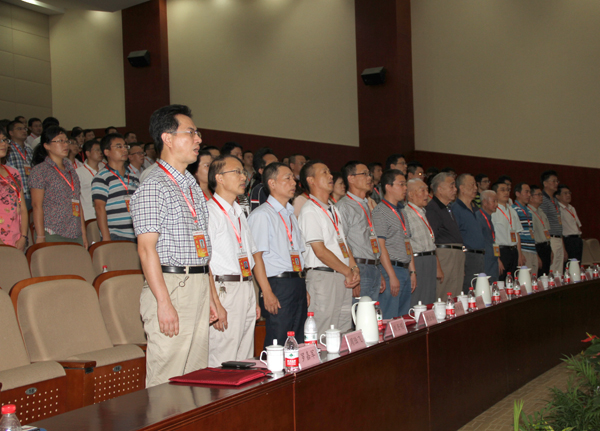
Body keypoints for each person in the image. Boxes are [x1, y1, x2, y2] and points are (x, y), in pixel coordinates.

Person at [130, 104, 223, 388]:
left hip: (197, 283)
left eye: (198, 133)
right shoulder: (154, 184)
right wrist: (163, 302)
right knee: (166, 381)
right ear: (167, 138)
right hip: (171, 286)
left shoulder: (192, 185)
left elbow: (202, 250)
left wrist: (210, 296)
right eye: (191, 133)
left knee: (196, 378)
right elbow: (146, 249)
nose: (198, 139)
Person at [206, 155, 259, 367]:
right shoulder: (209, 212)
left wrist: (253, 297)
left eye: (243, 172)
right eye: (236, 172)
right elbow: (205, 263)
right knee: (223, 358)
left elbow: (249, 259)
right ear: (219, 178)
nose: (243, 177)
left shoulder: (239, 212)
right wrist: (215, 304)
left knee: (245, 358)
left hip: (245, 286)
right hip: (224, 289)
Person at [248, 162, 308, 348]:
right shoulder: (262, 215)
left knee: (298, 340)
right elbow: (256, 257)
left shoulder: (290, 214)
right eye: (287, 178)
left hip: (296, 282)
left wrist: (302, 285)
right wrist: (266, 292)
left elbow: (297, 254)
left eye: (293, 178)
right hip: (277, 284)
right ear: (272, 183)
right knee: (278, 340)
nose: (293, 182)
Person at [298, 160, 360, 337]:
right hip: (323, 276)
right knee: (323, 331)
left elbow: (343, 243)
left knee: (343, 329)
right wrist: (347, 271)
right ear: (311, 180)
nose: (330, 176)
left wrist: (354, 268)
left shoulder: (333, 208)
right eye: (324, 172)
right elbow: (320, 251)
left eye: (329, 172)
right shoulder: (310, 210)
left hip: (342, 275)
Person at [29, 126, 88, 247]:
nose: (65, 144)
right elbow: (36, 205)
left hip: (75, 232)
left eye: (66, 141)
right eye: (60, 141)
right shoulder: (40, 171)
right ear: (47, 145)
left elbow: (78, 203)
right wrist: (40, 236)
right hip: (52, 231)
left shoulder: (71, 170)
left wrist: (83, 234)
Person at [336, 161, 384, 303]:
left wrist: (378, 271)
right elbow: (341, 243)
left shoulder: (365, 204)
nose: (369, 178)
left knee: (372, 314)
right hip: (358, 267)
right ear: (351, 178)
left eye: (369, 174)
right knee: (358, 314)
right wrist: (352, 273)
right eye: (364, 174)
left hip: (373, 266)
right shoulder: (344, 206)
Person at [372, 170, 416, 318]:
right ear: (388, 187)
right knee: (389, 317)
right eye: (401, 184)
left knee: (403, 318)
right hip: (390, 268)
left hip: (404, 269)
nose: (405, 188)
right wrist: (391, 276)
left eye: (405, 184)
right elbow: (380, 246)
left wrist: (412, 271)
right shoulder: (380, 211)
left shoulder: (402, 211)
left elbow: (407, 243)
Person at [92, 134, 139, 242]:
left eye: (125, 146)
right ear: (107, 152)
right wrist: (106, 237)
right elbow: (99, 208)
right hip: (116, 235)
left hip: (136, 234)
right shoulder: (102, 177)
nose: (124, 150)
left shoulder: (133, 176)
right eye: (119, 146)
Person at [426, 172, 464, 298]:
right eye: (451, 186)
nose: (455, 189)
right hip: (445, 256)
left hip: (454, 255)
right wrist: (437, 265)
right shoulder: (433, 208)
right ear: (440, 189)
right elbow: (431, 239)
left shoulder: (447, 207)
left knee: (455, 293)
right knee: (444, 294)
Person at [404, 179, 440, 306]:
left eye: (427, 190)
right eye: (422, 190)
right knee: (418, 299)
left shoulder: (422, 212)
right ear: (411, 194)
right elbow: (406, 243)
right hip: (418, 260)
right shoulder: (406, 213)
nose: (427, 194)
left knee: (430, 298)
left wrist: (437, 265)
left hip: (429, 258)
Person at [452, 174, 486, 291]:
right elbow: (456, 236)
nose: (475, 188)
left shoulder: (475, 208)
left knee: (480, 291)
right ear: (461, 188)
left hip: (480, 256)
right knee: (468, 290)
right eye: (472, 185)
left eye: (475, 185)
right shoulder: (456, 208)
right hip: (467, 256)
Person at [0, 128, 28, 250]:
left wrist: (23, 237)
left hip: (15, 238)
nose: (3, 144)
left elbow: (23, 208)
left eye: (4, 140)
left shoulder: (13, 172)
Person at [491, 181, 524, 280]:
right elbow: (491, 237)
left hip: (513, 251)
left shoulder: (512, 211)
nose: (506, 192)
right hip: (501, 251)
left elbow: (517, 233)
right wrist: (497, 259)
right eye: (502, 190)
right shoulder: (493, 212)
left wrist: (520, 254)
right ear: (495, 193)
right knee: (501, 281)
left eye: (508, 190)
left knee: (513, 281)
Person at [540, 170, 565, 275]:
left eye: (557, 181)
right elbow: (543, 223)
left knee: (559, 271)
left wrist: (563, 246)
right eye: (553, 181)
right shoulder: (542, 199)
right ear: (545, 183)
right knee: (552, 269)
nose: (556, 184)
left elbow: (559, 224)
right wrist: (548, 243)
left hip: (558, 238)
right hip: (550, 239)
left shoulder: (554, 200)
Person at [6, 120, 33, 210]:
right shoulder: (7, 149)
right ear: (11, 133)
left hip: (31, 193)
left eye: (25, 129)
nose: (24, 131)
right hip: (15, 194)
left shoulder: (29, 150)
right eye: (19, 129)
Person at [75, 140, 105, 221]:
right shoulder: (78, 172)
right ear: (88, 153)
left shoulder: (105, 169)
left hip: (107, 214)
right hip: (89, 216)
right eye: (97, 150)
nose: (100, 152)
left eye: (101, 150)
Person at [513, 183, 539, 275]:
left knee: (534, 279)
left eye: (530, 192)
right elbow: (515, 233)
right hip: (523, 250)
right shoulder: (513, 210)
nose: (529, 195)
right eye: (526, 192)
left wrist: (536, 253)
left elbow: (531, 233)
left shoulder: (528, 211)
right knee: (525, 280)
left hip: (532, 249)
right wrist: (519, 253)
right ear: (517, 193)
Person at [555, 184, 583, 265]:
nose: (568, 195)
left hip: (577, 240)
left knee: (577, 265)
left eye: (569, 193)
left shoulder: (571, 208)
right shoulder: (558, 209)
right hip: (567, 240)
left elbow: (577, 224)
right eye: (565, 193)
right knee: (569, 266)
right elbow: (559, 229)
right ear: (557, 196)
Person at [528, 185, 553, 276]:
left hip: (546, 247)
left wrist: (551, 249)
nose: (541, 197)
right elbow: (531, 236)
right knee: (538, 276)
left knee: (545, 275)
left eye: (541, 194)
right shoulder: (528, 213)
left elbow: (547, 231)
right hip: (537, 248)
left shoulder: (541, 212)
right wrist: (536, 255)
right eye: (538, 195)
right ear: (530, 197)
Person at [476, 190, 500, 282]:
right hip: (485, 261)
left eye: (497, 201)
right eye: (494, 201)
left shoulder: (488, 218)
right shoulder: (478, 218)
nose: (497, 204)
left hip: (492, 258)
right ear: (485, 202)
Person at [249, 147, 278, 212]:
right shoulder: (259, 190)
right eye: (273, 165)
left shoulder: (282, 187)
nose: (278, 167)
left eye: (278, 163)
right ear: (261, 170)